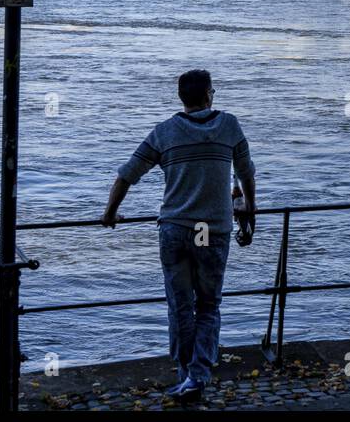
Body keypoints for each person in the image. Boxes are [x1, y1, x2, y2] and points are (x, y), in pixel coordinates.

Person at [101, 69, 256, 402]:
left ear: (181, 98)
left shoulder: (165, 132)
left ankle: (185, 374)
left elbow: (127, 174)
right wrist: (249, 213)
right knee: (209, 305)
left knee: (180, 306)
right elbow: (246, 174)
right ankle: (198, 376)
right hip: (212, 232)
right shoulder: (229, 125)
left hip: (176, 229)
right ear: (208, 95)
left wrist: (110, 213)